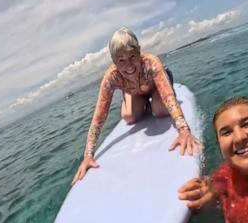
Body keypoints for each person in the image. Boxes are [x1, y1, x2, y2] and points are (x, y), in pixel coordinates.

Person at [72, 27, 200, 185]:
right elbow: (99, 117)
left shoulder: (151, 62)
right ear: (114, 62)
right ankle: (138, 98)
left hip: (156, 87)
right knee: (129, 117)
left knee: (159, 110)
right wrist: (88, 155)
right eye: (121, 61)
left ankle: (151, 98)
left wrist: (184, 130)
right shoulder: (111, 78)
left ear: (139, 52)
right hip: (136, 92)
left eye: (132, 56)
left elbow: (168, 97)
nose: (129, 65)